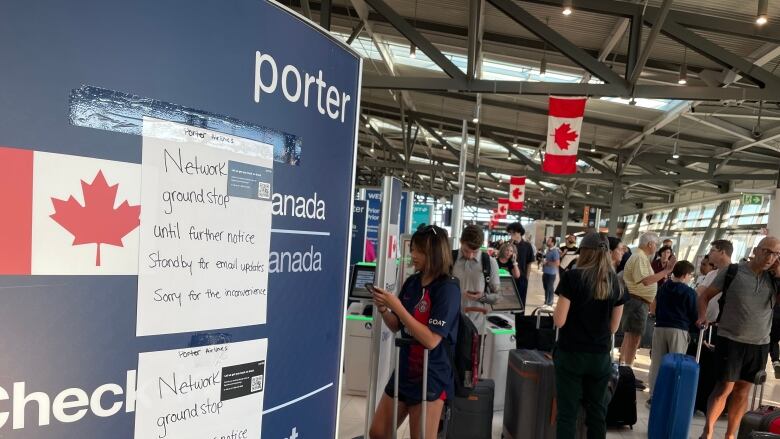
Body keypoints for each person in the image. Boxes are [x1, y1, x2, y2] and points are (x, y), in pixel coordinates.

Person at [369, 225, 460, 439]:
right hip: (404, 371)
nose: (413, 255)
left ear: (433, 253)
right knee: (378, 432)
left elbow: (431, 340)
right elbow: (397, 325)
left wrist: (397, 306)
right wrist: (384, 307)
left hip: (431, 375)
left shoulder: (448, 288)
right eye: (412, 249)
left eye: (418, 251)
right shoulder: (412, 282)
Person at [697, 237, 780, 439]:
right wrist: (702, 316)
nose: (771, 257)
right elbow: (705, 296)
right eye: (768, 251)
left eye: (776, 254)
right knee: (724, 387)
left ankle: (730, 435)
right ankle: (707, 432)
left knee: (743, 391)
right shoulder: (734, 271)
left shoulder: (773, 279)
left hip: (759, 343)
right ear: (757, 250)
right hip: (730, 339)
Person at [553, 233, 626, 439]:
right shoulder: (617, 283)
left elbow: (559, 321)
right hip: (600, 357)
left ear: (584, 253)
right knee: (597, 414)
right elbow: (613, 327)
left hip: (571, 355)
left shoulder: (573, 277)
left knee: (567, 414)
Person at [620, 232, 676, 390]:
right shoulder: (639, 257)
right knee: (633, 339)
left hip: (638, 302)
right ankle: (626, 373)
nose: (657, 248)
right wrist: (667, 271)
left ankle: (624, 369)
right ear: (650, 244)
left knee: (630, 337)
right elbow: (646, 281)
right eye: (656, 245)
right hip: (636, 302)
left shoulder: (641, 257)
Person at [647, 261, 698, 407]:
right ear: (684, 275)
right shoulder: (689, 292)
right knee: (677, 363)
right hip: (679, 329)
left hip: (660, 327)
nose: (690, 278)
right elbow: (693, 314)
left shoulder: (663, 288)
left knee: (657, 363)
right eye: (690, 275)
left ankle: (654, 395)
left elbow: (655, 306)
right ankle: (673, 395)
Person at [452, 224, 500, 334]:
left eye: (475, 251)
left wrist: (483, 297)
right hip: (449, 324)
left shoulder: (490, 263)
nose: (470, 256)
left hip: (476, 328)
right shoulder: (450, 258)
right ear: (460, 241)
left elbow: (498, 297)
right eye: (466, 250)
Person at [696, 240, 734, 325]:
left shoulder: (736, 274)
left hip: (724, 324)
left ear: (722, 252)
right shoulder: (711, 274)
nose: (709, 254)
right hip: (708, 322)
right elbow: (699, 293)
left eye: (712, 251)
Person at [506, 222, 535, 311]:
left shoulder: (527, 246)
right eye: (510, 233)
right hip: (509, 277)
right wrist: (509, 246)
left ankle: (520, 319)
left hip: (522, 278)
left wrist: (527, 277)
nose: (512, 235)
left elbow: (529, 263)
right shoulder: (508, 245)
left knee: (521, 302)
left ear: (520, 233)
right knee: (509, 301)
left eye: (513, 233)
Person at [543, 237, 561, 307]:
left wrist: (547, 263)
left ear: (553, 243)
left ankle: (549, 303)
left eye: (549, 241)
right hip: (545, 272)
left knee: (549, 288)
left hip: (551, 274)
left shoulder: (555, 251)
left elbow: (557, 263)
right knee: (546, 288)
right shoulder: (548, 250)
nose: (547, 241)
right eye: (547, 240)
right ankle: (546, 301)